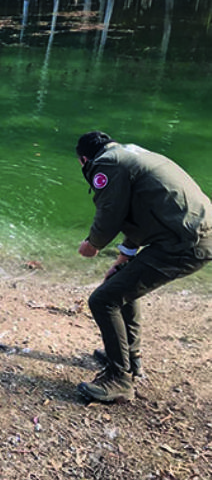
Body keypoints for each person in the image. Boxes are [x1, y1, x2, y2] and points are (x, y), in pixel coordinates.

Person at [75, 131, 212, 403]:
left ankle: (118, 379)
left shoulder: (106, 165)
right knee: (119, 282)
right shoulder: (131, 154)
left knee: (103, 300)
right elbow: (140, 212)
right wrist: (122, 259)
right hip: (189, 235)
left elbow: (110, 212)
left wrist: (93, 244)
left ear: (84, 159)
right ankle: (130, 357)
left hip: (185, 243)